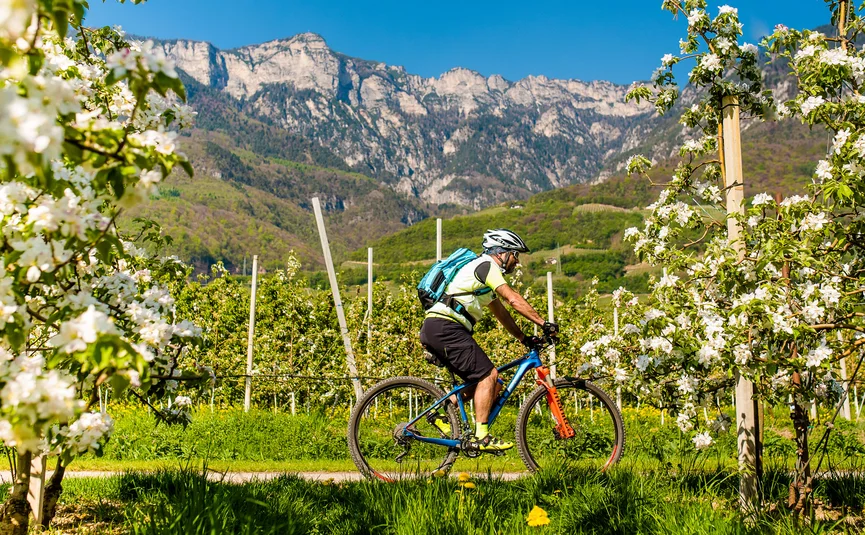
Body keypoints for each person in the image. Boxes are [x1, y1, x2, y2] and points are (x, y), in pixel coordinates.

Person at [419, 228, 558, 451]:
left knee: (494, 385)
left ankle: (440, 413)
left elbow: (501, 313)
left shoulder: (481, 276)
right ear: (502, 252)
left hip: (441, 327)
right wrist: (543, 323)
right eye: (515, 255)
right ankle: (481, 436)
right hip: (446, 327)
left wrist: (524, 338)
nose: (517, 261)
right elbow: (512, 299)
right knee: (488, 374)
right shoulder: (487, 266)